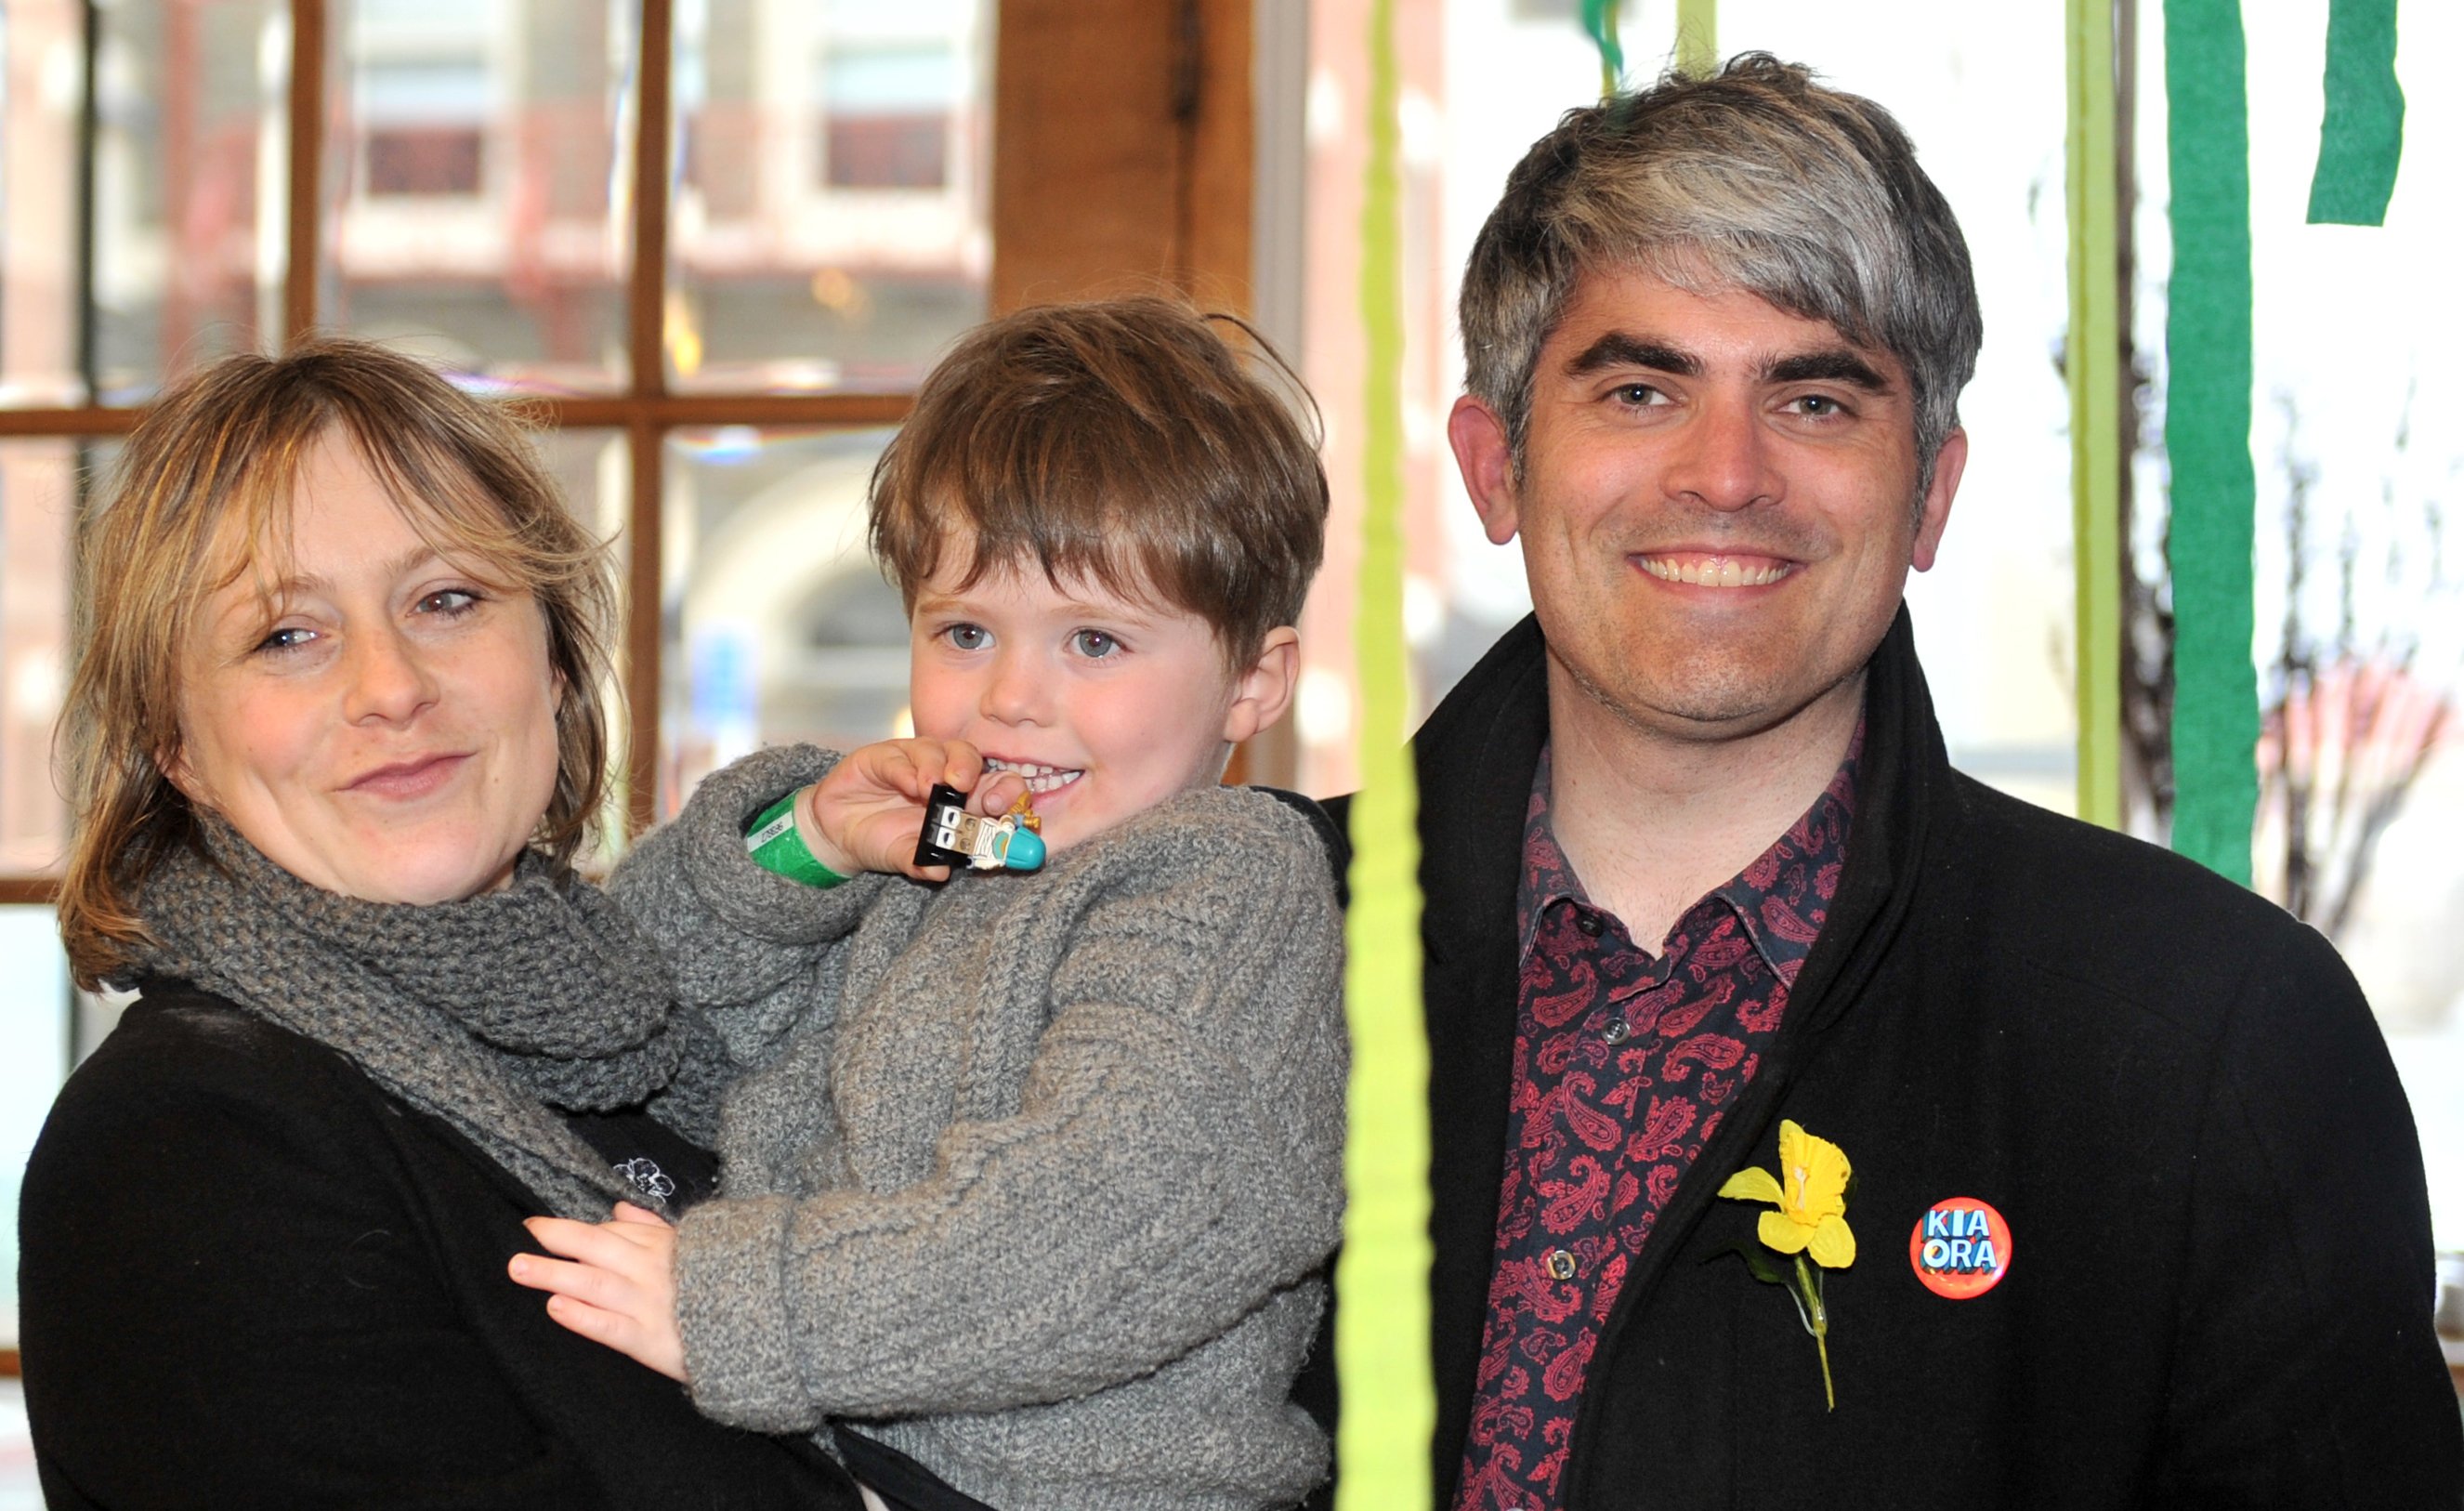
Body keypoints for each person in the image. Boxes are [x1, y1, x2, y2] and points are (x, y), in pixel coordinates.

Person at [1313, 55, 2463, 1510]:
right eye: (1642, 385)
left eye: (1814, 398)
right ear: (1494, 467)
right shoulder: (1224, 944)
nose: (1725, 473)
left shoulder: (2216, 1040)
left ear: (1928, 492)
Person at [506, 297, 1348, 1511]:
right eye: (964, 629)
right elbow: (609, 1023)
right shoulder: (938, 865)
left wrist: (739, 1304)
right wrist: (805, 848)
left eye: (1095, 643)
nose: (1010, 697)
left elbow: (1104, 1222)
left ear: (1252, 681)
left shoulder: (1222, 879)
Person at [20, 340, 861, 1509]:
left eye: (448, 599)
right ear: (178, 749)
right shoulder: (188, 1143)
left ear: (558, 666)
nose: (391, 688)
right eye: (286, 636)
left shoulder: (665, 1027)